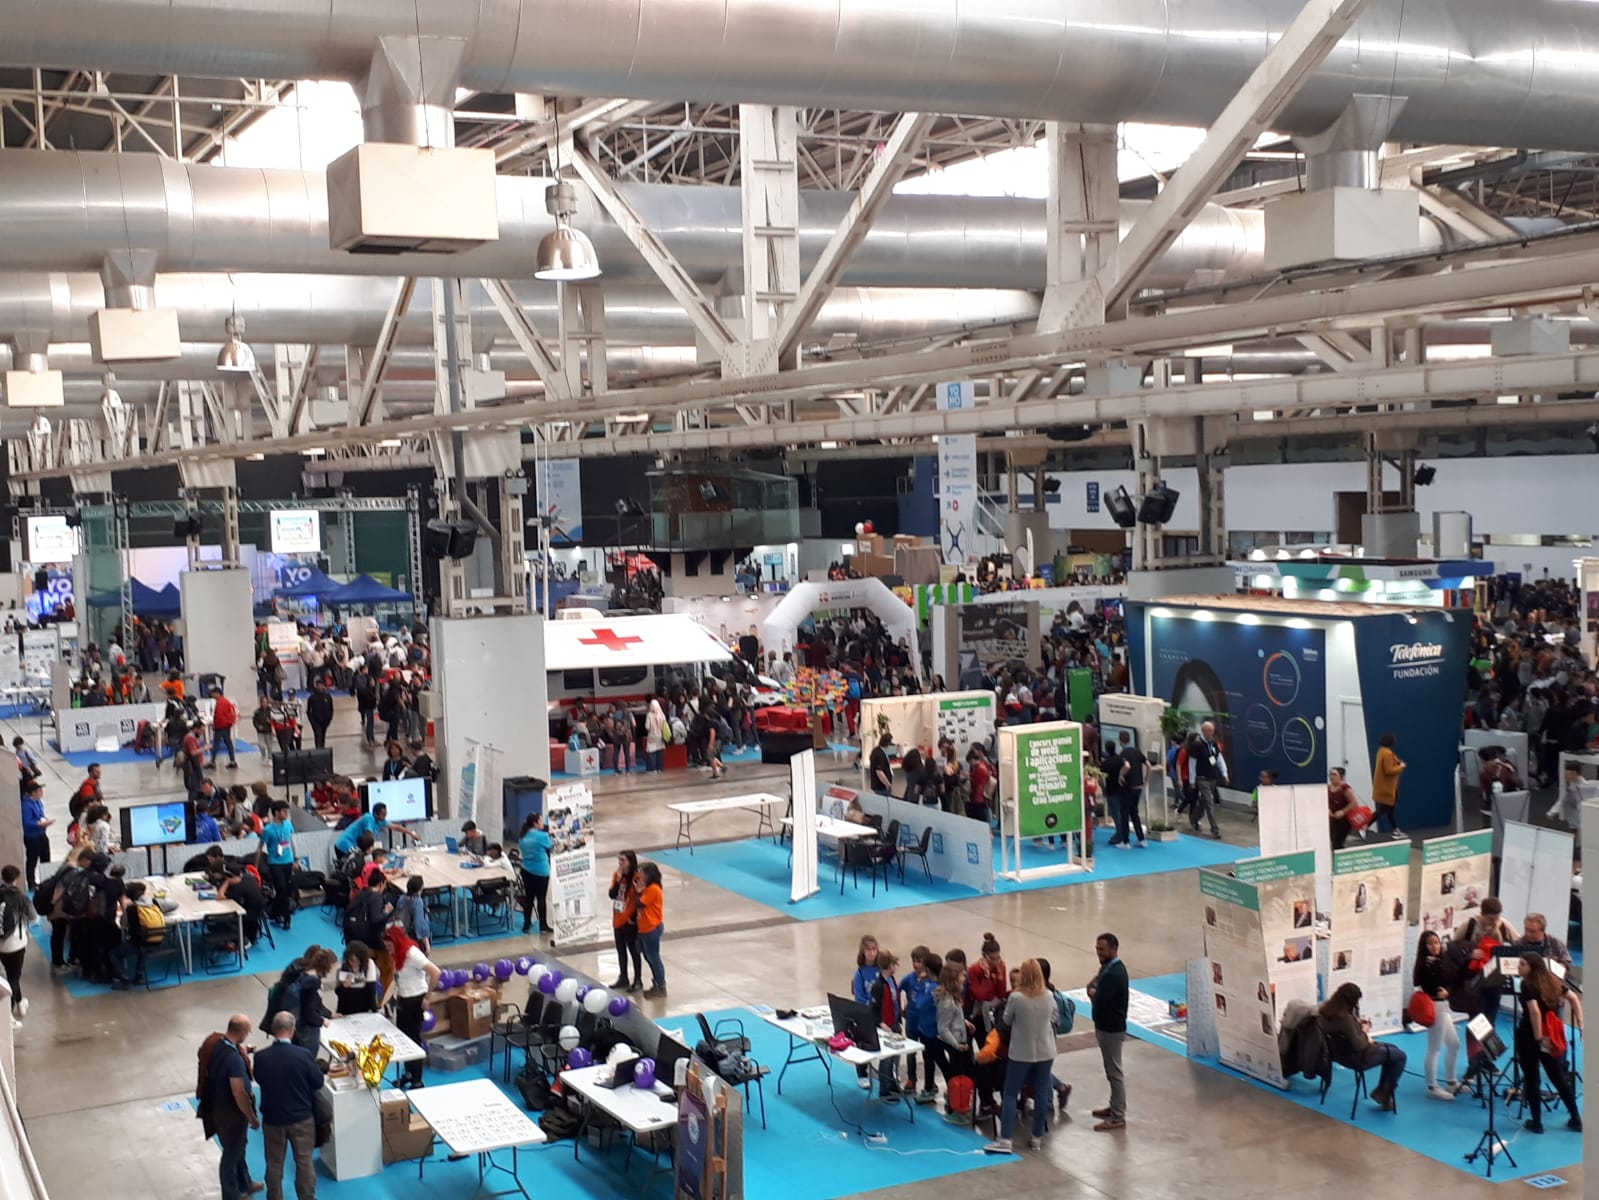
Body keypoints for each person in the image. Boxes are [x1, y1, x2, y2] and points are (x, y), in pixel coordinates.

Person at [983, 959, 1059, 1154]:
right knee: (1041, 1092)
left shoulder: (1016, 998)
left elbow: (1006, 1020)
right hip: (1045, 1051)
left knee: (1010, 1093)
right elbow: (1054, 1017)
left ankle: (1006, 1139)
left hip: (1021, 1052)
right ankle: (1037, 1137)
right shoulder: (1048, 995)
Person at [253, 1011, 325, 1200]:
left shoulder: (260, 1058)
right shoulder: (304, 1055)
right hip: (301, 1119)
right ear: (292, 1030)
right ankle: (306, 1196)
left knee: (274, 1163)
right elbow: (317, 1082)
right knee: (304, 1162)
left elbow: (259, 1079)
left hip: (273, 1119)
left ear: (273, 1029)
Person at [1515, 951, 1584, 1133]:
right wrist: (1580, 1021)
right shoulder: (1552, 981)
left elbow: (1534, 1011)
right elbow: (1573, 998)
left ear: (1532, 967)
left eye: (1522, 964)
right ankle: (1576, 1118)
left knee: (1532, 1078)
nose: (1518, 967)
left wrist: (1538, 1037)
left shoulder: (1527, 984)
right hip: (1551, 1034)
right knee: (1558, 1077)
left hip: (1530, 1034)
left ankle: (1537, 1122)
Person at [1317, 982, 1407, 1111]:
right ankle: (1383, 1093)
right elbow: (1359, 1046)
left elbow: (1344, 1034)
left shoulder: (1323, 1014)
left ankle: (1383, 1093)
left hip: (1337, 1056)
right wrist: (1364, 1031)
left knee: (1391, 1051)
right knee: (1400, 1056)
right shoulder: (1346, 1019)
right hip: (1358, 1058)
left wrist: (1357, 1027)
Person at [201, 1014, 261, 1200]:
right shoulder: (233, 1059)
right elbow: (238, 1091)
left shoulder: (219, 1044)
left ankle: (245, 1183)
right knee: (231, 1154)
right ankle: (231, 1195)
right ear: (242, 1032)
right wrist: (251, 1116)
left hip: (218, 1107)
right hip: (232, 1114)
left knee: (238, 1148)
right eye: (248, 1031)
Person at [381, 924, 441, 1089]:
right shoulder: (397, 955)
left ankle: (417, 1079)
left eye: (389, 946)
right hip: (403, 999)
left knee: (414, 1040)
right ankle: (408, 1073)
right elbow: (396, 980)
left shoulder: (412, 954)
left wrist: (427, 997)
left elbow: (435, 972)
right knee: (403, 1039)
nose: (388, 950)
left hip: (416, 1000)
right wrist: (382, 1003)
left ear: (396, 942)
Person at [1412, 930, 1461, 1100]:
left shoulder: (1442, 960)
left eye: (1436, 942)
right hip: (1434, 1006)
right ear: (1424, 947)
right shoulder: (1425, 966)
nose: (1434, 946)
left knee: (1454, 1044)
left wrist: (1449, 991)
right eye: (1430, 944)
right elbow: (1432, 983)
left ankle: (1452, 1081)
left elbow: (1453, 979)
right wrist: (1437, 966)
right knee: (1435, 1048)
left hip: (1443, 1006)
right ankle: (1432, 1086)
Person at [1089, 931, 1129, 1132]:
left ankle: (1118, 1116)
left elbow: (1098, 996)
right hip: (1107, 1026)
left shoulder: (1113, 974)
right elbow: (1093, 987)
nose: (1099, 953)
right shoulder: (1109, 968)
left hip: (1111, 1029)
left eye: (1102, 949)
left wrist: (1093, 992)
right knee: (1111, 1071)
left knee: (1114, 1073)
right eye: (1097, 949)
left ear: (1114, 949)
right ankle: (1115, 1106)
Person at [0, 864, 37, 1027]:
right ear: (16, 878)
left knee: (8, 977)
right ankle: (9, 1018)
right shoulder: (20, 897)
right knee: (13, 978)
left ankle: (20, 1002)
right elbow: (33, 917)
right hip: (15, 943)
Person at [333, 801, 420, 862]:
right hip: (345, 844)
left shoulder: (380, 820)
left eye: (386, 814)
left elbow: (396, 827)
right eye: (383, 815)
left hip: (352, 845)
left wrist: (411, 833)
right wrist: (375, 849)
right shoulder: (369, 818)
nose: (385, 817)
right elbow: (368, 835)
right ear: (376, 814)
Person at [291, 947, 337, 1053]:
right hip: (306, 1028)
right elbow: (309, 1010)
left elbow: (315, 1001)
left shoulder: (304, 974)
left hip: (296, 1022)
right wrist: (322, 1021)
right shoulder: (313, 982)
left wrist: (329, 1014)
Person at [1186, 721, 1227, 839]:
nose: (1211, 733)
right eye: (1209, 731)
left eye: (1212, 731)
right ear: (1203, 731)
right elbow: (1192, 763)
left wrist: (1224, 773)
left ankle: (1194, 819)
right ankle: (1215, 829)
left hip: (1212, 777)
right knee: (1209, 802)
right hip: (1201, 778)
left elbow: (1219, 759)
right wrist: (1192, 780)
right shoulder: (1196, 745)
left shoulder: (1214, 743)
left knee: (1204, 802)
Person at [608, 850, 642, 993]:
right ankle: (623, 976)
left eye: (623, 860)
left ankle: (638, 980)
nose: (620, 863)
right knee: (620, 950)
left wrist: (633, 918)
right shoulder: (617, 875)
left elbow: (640, 899)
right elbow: (612, 894)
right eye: (619, 860)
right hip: (618, 918)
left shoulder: (637, 877)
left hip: (630, 920)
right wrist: (618, 879)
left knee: (634, 951)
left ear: (630, 862)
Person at [260, 802, 297, 931]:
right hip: (275, 863)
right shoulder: (268, 830)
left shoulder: (288, 825)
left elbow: (291, 841)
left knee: (288, 890)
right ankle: (287, 918)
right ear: (276, 812)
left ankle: (275, 912)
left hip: (288, 861)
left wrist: (295, 859)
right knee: (281, 889)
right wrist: (256, 865)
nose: (286, 814)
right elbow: (260, 847)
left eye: (287, 811)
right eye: (284, 811)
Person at [517, 812, 552, 935]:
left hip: (526, 870)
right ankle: (543, 925)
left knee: (529, 898)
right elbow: (551, 846)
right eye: (541, 821)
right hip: (541, 871)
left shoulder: (522, 836)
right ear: (535, 823)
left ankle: (526, 924)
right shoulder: (542, 836)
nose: (543, 823)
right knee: (541, 898)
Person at [635, 861, 666, 998]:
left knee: (654, 958)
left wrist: (638, 891)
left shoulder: (653, 889)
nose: (639, 875)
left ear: (648, 875)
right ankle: (656, 982)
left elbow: (639, 903)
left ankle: (660, 985)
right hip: (643, 928)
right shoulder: (647, 888)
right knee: (648, 957)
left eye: (641, 872)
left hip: (651, 928)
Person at [1111, 730, 1147, 849]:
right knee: (1134, 813)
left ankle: (1125, 841)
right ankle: (1141, 839)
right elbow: (1149, 765)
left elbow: (1127, 766)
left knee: (1124, 813)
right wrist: (1146, 781)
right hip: (1138, 786)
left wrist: (1121, 775)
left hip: (1128, 787)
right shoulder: (1137, 751)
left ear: (1120, 740)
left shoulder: (1123, 753)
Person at [1371, 732, 1406, 839]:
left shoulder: (1381, 751)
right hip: (1388, 789)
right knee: (1383, 810)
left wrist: (1397, 763)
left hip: (1385, 788)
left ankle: (1395, 829)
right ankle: (1364, 825)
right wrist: (1401, 767)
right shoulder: (1387, 753)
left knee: (1389, 810)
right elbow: (1389, 770)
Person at [20, 778, 53, 889]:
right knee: (32, 860)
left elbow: (41, 815)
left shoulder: (39, 802)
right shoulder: (26, 805)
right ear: (33, 793)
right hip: (32, 837)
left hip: (42, 834)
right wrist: (39, 824)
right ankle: (31, 882)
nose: (41, 792)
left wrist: (45, 820)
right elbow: (27, 822)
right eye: (39, 791)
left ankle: (46, 880)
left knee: (46, 857)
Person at [334, 941, 381, 1015]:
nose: (354, 964)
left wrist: (375, 1011)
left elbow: (371, 990)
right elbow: (338, 993)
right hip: (346, 1008)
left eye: (358, 961)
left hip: (364, 1008)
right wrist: (344, 987)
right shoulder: (342, 968)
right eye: (351, 960)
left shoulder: (369, 964)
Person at [392, 875, 432, 955]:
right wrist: (426, 942)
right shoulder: (417, 902)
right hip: (414, 937)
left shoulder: (401, 899)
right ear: (421, 887)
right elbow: (419, 923)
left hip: (403, 933)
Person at [967, 931, 1009, 1007]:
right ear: (984, 955)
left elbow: (1001, 994)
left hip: (995, 1003)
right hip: (979, 1004)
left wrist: (1000, 978)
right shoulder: (974, 969)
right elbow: (979, 997)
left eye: (998, 958)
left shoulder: (1001, 966)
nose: (995, 962)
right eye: (992, 959)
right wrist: (986, 977)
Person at [1327, 767, 1360, 850]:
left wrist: (1342, 812)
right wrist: (1327, 809)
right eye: (1330, 774)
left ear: (1341, 777)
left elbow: (1354, 803)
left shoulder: (1345, 788)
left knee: (1337, 843)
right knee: (1333, 842)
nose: (1331, 777)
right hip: (1332, 820)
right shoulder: (1328, 788)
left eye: (1334, 774)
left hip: (1344, 821)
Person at [211, 687, 241, 769]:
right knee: (228, 743)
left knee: (216, 744)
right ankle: (232, 760)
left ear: (217, 693)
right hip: (226, 725)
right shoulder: (225, 701)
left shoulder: (220, 702)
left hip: (221, 726)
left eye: (213, 693)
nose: (212, 695)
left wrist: (215, 725)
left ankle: (212, 761)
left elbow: (219, 716)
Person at [305, 678, 334, 751]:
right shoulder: (312, 698)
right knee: (318, 735)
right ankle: (318, 750)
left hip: (325, 721)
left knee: (323, 735)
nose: (319, 687)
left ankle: (322, 750)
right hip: (315, 721)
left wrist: (329, 719)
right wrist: (312, 720)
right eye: (317, 685)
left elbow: (331, 709)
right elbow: (308, 710)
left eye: (321, 685)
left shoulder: (327, 697)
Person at [644, 699, 667, 773]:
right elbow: (664, 725)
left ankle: (652, 769)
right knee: (659, 752)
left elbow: (647, 727)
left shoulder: (649, 715)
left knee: (652, 752)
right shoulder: (662, 714)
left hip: (652, 736)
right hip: (660, 736)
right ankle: (659, 768)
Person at [869, 732, 894, 796]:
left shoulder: (875, 750)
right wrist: (887, 784)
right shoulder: (880, 755)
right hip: (881, 786)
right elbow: (879, 772)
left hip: (876, 784)